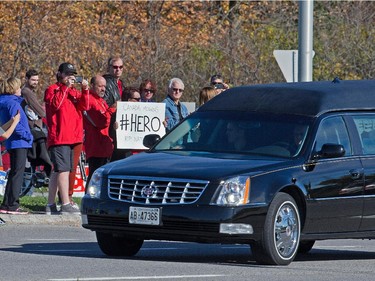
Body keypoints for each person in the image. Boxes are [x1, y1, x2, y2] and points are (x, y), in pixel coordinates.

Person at [44, 62, 89, 214]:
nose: (70, 77)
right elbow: (56, 105)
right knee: (62, 170)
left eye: (73, 74)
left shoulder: (73, 91)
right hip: (59, 136)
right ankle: (65, 203)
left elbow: (85, 106)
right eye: (67, 74)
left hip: (73, 136)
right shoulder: (53, 89)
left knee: (59, 171)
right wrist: (65, 88)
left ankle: (50, 204)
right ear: (60, 74)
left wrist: (85, 90)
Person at [0, 77, 33, 214]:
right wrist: (28, 136)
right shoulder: (13, 104)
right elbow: (17, 125)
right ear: (13, 89)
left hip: (12, 142)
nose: (20, 89)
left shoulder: (4, 102)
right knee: (17, 173)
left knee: (14, 172)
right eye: (18, 87)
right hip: (19, 141)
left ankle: (6, 203)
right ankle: (12, 204)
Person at [83, 75, 115, 187]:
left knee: (102, 178)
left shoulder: (101, 101)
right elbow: (101, 122)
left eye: (104, 86)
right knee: (94, 176)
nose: (103, 89)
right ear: (92, 86)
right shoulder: (89, 101)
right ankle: (89, 200)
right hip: (96, 147)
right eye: (100, 86)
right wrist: (112, 109)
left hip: (104, 146)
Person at [110, 86, 141, 161]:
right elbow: (111, 135)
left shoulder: (145, 114)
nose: (139, 101)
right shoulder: (117, 115)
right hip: (123, 156)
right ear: (129, 100)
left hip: (139, 156)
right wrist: (114, 129)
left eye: (139, 99)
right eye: (137, 99)